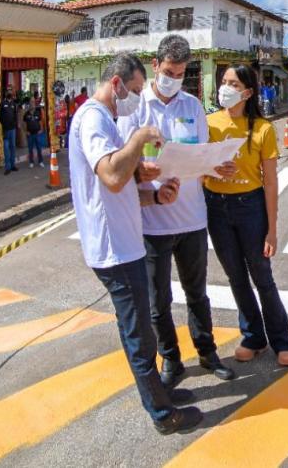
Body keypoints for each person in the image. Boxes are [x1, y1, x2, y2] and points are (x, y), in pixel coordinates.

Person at [68, 52, 202, 434]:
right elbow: (111, 176)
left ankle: (159, 394)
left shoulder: (106, 120)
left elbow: (122, 185)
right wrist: (141, 136)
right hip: (115, 250)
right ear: (116, 84)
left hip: (125, 242)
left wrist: (155, 197)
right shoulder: (93, 117)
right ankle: (163, 414)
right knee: (139, 335)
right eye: (136, 90)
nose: (137, 98)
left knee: (139, 328)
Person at [117, 35, 237, 388]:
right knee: (159, 301)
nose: (174, 79)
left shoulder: (192, 106)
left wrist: (217, 167)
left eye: (181, 73)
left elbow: (199, 156)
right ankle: (170, 358)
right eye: (169, 71)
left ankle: (207, 351)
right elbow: (124, 162)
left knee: (197, 293)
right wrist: (144, 173)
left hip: (192, 219)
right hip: (152, 222)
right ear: (155, 66)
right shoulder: (137, 108)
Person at [205, 65, 288, 366]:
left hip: (251, 207)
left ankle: (281, 339)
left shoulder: (263, 129)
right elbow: (196, 164)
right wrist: (211, 168)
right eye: (224, 82)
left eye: (233, 83)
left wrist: (271, 229)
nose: (225, 88)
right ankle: (254, 337)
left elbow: (270, 182)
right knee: (236, 277)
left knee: (262, 276)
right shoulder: (207, 124)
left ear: (247, 92)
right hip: (216, 207)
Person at [0, 86, 19, 174]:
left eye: (11, 91)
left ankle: (13, 165)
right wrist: (4, 123)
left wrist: (14, 124)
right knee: (6, 148)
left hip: (12, 129)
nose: (9, 93)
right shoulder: (2, 103)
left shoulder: (14, 104)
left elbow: (15, 115)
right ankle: (8, 167)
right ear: (6, 93)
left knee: (13, 147)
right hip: (6, 130)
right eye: (8, 91)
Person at [23, 95, 45, 168]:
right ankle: (31, 162)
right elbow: (24, 124)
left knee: (39, 148)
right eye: (31, 102)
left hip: (37, 133)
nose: (32, 103)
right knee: (30, 149)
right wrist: (26, 131)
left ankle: (41, 161)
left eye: (33, 102)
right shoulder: (26, 114)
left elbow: (40, 122)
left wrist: (41, 129)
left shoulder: (37, 113)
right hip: (30, 134)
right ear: (29, 103)